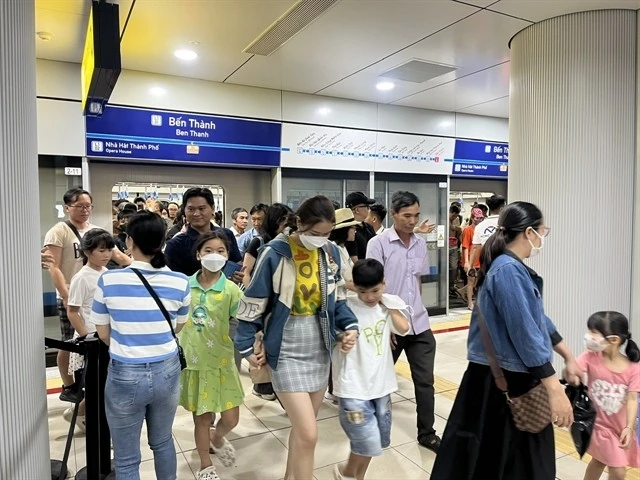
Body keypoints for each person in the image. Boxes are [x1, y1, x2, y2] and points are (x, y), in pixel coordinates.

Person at [431, 201, 583, 480]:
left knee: (498, 458)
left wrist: (568, 355)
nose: (542, 238)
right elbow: (525, 333)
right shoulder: (508, 270)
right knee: (508, 460)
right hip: (503, 380)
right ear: (528, 232)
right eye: (542, 231)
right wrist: (554, 389)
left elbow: (538, 319)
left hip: (499, 377)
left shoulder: (510, 267)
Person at [234, 195, 359, 480]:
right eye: (315, 234)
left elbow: (337, 299)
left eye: (327, 234)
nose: (321, 239)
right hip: (286, 349)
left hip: (319, 348)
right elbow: (253, 300)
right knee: (310, 433)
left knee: (304, 432)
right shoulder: (275, 252)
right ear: (299, 223)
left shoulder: (329, 253)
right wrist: (244, 344)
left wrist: (349, 326)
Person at [92, 211, 191, 480]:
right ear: (161, 242)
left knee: (126, 458)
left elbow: (103, 333)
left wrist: (129, 343)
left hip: (125, 373)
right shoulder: (180, 281)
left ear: (129, 241)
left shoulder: (109, 280)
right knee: (162, 442)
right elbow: (178, 326)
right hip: (167, 370)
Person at [366, 191, 440, 452]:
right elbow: (373, 288)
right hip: (390, 326)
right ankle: (372, 428)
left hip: (418, 324)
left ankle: (427, 433)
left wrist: (417, 311)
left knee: (425, 381)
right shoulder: (379, 243)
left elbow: (416, 281)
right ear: (394, 214)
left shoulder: (420, 244)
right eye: (407, 215)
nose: (412, 221)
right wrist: (384, 325)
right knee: (380, 380)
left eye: (416, 216)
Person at [44, 187, 131, 402]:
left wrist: (142, 267)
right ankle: (69, 384)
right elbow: (52, 266)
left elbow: (118, 255)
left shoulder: (95, 230)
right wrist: (65, 294)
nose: (85, 210)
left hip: (95, 294)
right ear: (67, 207)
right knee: (70, 341)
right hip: (71, 292)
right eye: (79, 206)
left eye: (88, 206)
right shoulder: (58, 231)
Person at [332, 259, 410, 480]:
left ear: (384, 284)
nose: (369, 297)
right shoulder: (345, 306)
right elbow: (332, 334)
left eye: (375, 290)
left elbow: (404, 328)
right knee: (366, 439)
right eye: (363, 291)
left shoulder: (385, 307)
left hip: (381, 386)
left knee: (376, 441)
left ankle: (357, 476)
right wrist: (341, 339)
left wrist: (387, 304)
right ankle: (346, 473)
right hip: (353, 387)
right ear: (354, 287)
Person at [179, 231, 244, 480]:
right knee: (202, 418)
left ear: (227, 257)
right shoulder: (184, 285)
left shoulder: (231, 290)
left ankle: (218, 437)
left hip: (222, 362)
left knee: (231, 417)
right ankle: (206, 466)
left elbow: (244, 320)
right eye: (208, 250)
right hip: (195, 363)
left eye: (220, 251)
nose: (214, 255)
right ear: (198, 254)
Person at [241, 203, 294, 402]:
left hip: (279, 300)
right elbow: (246, 273)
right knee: (260, 342)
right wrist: (256, 297)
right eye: (284, 222)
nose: (288, 227)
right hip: (262, 299)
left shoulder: (289, 242)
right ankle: (262, 385)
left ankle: (275, 385)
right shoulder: (259, 241)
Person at [63, 228, 114, 431]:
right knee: (98, 387)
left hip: (105, 336)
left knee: (103, 386)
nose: (106, 254)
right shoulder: (82, 277)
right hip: (91, 339)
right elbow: (73, 312)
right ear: (87, 251)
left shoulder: (106, 273)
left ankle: (81, 413)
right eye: (101, 250)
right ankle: (83, 415)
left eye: (109, 249)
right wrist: (87, 337)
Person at [579, 312, 640, 480]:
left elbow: (633, 399)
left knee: (598, 461)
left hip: (619, 428)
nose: (589, 336)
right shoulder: (590, 357)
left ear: (614, 340)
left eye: (593, 332)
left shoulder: (633, 368)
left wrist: (629, 427)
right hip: (599, 427)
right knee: (619, 471)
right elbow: (574, 372)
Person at [164, 187, 242, 277]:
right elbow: (173, 278)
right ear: (184, 210)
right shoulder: (175, 244)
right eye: (191, 209)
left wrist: (236, 276)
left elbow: (236, 264)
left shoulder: (227, 235)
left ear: (212, 209)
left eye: (201, 208)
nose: (196, 213)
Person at [468, 194, 506, 269]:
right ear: (502, 209)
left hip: (486, 263)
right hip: (504, 262)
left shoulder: (480, 226)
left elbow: (475, 248)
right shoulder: (506, 224)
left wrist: (470, 266)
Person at [461, 207, 485, 310]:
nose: (479, 220)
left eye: (481, 218)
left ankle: (464, 292)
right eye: (477, 218)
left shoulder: (482, 229)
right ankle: (470, 303)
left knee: (478, 282)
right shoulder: (468, 230)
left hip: (481, 259)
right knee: (471, 282)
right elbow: (465, 246)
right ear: (472, 217)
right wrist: (466, 262)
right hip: (472, 260)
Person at [345, 192, 377, 260]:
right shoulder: (348, 229)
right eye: (367, 206)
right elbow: (352, 255)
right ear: (356, 210)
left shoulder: (369, 227)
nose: (369, 210)